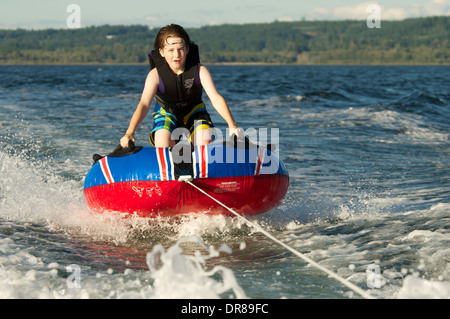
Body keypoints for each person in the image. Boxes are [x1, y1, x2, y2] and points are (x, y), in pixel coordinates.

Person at [120, 24, 242, 149]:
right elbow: (144, 104)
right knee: (162, 142)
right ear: (161, 51)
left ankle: (201, 161)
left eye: (181, 49)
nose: (177, 55)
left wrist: (232, 125)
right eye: (171, 50)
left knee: (203, 140)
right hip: (167, 112)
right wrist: (130, 132)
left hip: (195, 112)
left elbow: (215, 98)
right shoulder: (155, 75)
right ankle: (168, 162)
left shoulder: (200, 71)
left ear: (187, 49)